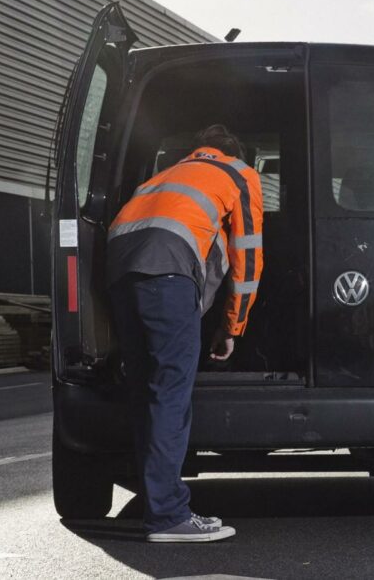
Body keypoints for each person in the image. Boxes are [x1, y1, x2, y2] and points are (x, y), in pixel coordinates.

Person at [107, 124, 264, 542]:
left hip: (121, 274)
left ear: (199, 151)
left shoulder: (163, 176)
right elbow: (247, 257)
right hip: (168, 276)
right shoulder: (238, 174)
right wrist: (233, 326)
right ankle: (168, 516)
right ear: (235, 153)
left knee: (146, 393)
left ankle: (157, 505)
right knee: (170, 393)